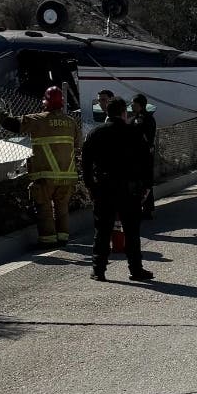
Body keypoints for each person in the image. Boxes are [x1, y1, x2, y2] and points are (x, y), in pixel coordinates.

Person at [0, 85, 82, 249]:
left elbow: (11, 124)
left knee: (44, 207)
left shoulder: (37, 119)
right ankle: (63, 238)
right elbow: (78, 145)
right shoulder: (70, 122)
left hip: (45, 175)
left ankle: (48, 241)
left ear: (45, 102)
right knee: (62, 207)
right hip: (67, 175)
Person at [81, 96, 153, 282]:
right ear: (124, 113)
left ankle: (99, 270)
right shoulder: (135, 133)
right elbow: (147, 162)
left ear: (107, 112)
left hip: (104, 189)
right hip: (130, 190)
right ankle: (136, 270)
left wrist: (90, 186)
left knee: (103, 231)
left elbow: (86, 163)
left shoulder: (95, 133)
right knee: (131, 231)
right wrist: (146, 186)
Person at [130, 93, 158, 221]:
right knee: (137, 181)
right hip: (135, 156)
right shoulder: (133, 119)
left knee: (146, 182)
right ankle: (138, 207)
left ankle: (148, 209)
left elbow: (149, 138)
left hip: (145, 155)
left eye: (134, 104)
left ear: (141, 105)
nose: (132, 106)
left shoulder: (148, 119)